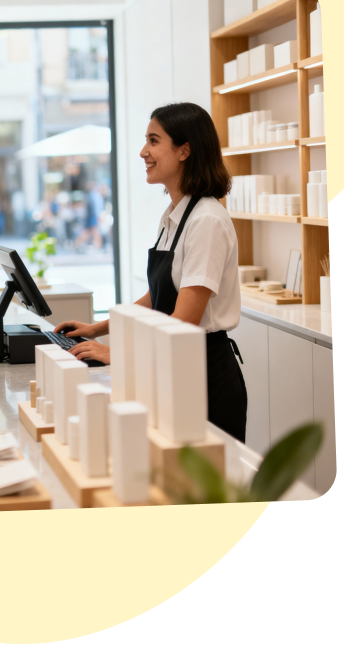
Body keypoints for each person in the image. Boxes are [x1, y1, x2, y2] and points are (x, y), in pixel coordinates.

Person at [53, 102, 248, 442]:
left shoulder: (207, 221)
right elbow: (157, 298)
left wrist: (119, 354)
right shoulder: (174, 215)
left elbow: (184, 319)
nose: (144, 151)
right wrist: (95, 328)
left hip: (204, 375)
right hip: (174, 366)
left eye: (154, 141)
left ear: (184, 150)